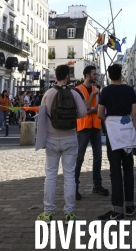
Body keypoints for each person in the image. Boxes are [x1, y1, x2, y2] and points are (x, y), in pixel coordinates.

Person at [37, 64, 87, 223]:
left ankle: (48, 212)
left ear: (56, 77)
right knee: (69, 176)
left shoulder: (48, 93)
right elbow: (83, 113)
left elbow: (42, 117)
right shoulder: (74, 93)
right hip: (70, 138)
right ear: (67, 76)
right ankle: (69, 213)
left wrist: (42, 139)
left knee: (50, 176)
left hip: (51, 138)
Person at [97, 63, 136, 222]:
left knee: (115, 169)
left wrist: (109, 121)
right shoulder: (129, 90)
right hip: (128, 131)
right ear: (121, 74)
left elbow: (100, 113)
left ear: (109, 76)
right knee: (128, 168)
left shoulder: (106, 91)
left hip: (113, 133)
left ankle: (117, 209)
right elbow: (135, 113)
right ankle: (130, 205)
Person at [74, 66, 109, 200]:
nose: (96, 76)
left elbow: (98, 108)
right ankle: (74, 187)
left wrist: (93, 109)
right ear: (87, 75)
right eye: (94, 74)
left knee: (98, 157)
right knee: (79, 158)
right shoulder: (78, 90)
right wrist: (92, 100)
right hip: (83, 127)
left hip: (96, 126)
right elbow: (84, 108)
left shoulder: (97, 90)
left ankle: (97, 185)